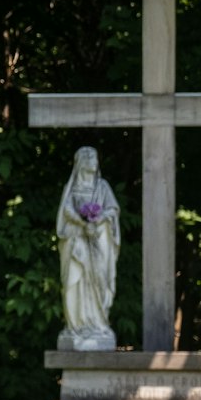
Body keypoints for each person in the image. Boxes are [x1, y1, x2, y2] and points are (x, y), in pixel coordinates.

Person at [56, 146, 121, 350]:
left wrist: (98, 220)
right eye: (89, 157)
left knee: (99, 280)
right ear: (81, 162)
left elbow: (112, 209)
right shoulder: (72, 187)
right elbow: (65, 211)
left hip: (98, 242)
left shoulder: (102, 187)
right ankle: (76, 326)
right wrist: (82, 223)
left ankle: (98, 324)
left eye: (95, 157)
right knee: (74, 281)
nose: (94, 161)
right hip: (76, 242)